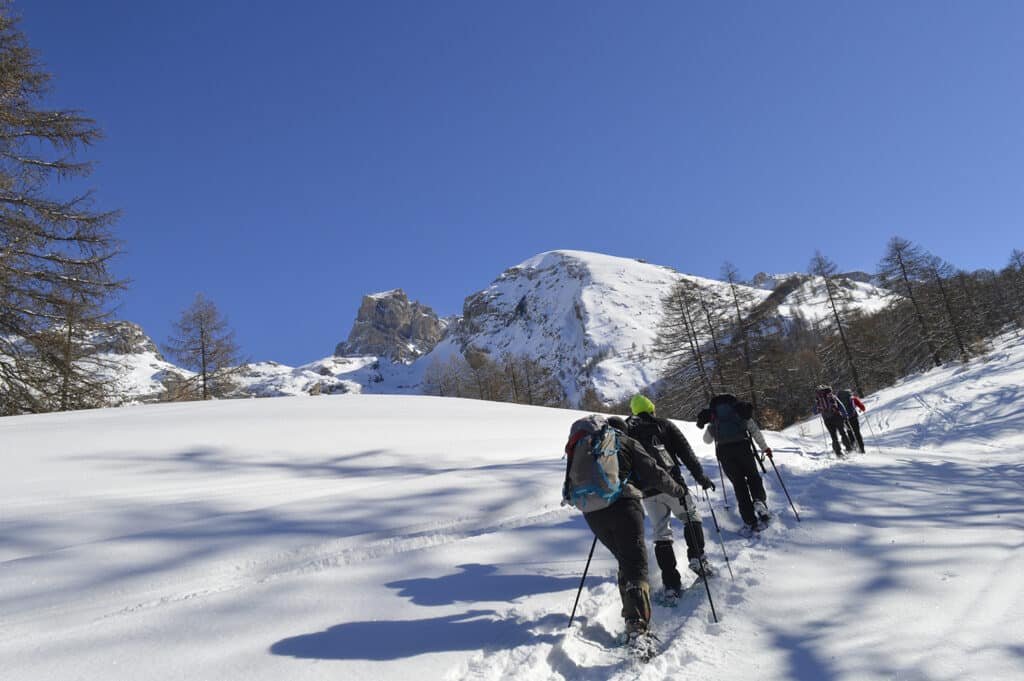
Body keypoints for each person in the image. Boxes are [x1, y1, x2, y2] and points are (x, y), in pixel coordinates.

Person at [562, 414, 689, 652]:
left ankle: (632, 615)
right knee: (636, 565)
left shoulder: (587, 446)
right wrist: (677, 490)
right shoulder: (626, 441)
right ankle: (638, 629)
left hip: (592, 512)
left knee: (625, 560)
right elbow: (654, 472)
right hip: (625, 506)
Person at [618, 395, 716, 599]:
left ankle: (671, 583)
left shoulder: (628, 431)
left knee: (661, 534)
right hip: (674, 486)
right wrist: (701, 477)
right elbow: (686, 453)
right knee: (691, 517)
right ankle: (698, 559)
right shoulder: (664, 425)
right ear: (651, 409)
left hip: (647, 492)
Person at [698, 394, 773, 535]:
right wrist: (764, 448)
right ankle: (759, 501)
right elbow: (755, 431)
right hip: (743, 448)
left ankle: (749, 521)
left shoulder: (714, 418)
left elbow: (707, 441)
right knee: (753, 477)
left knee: (739, 486)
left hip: (725, 454)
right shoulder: (740, 411)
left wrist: (712, 427)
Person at [812, 385, 852, 456]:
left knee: (833, 436)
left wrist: (818, 405)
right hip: (837, 417)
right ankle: (849, 448)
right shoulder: (832, 396)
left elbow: (815, 411)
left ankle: (838, 453)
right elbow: (841, 405)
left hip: (827, 420)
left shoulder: (818, 399)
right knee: (842, 433)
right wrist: (845, 415)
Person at [835, 388, 867, 453]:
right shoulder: (853, 398)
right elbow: (862, 407)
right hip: (853, 416)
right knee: (857, 432)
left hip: (845, 418)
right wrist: (862, 409)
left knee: (849, 432)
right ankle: (862, 448)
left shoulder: (838, 400)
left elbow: (836, 409)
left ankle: (854, 447)